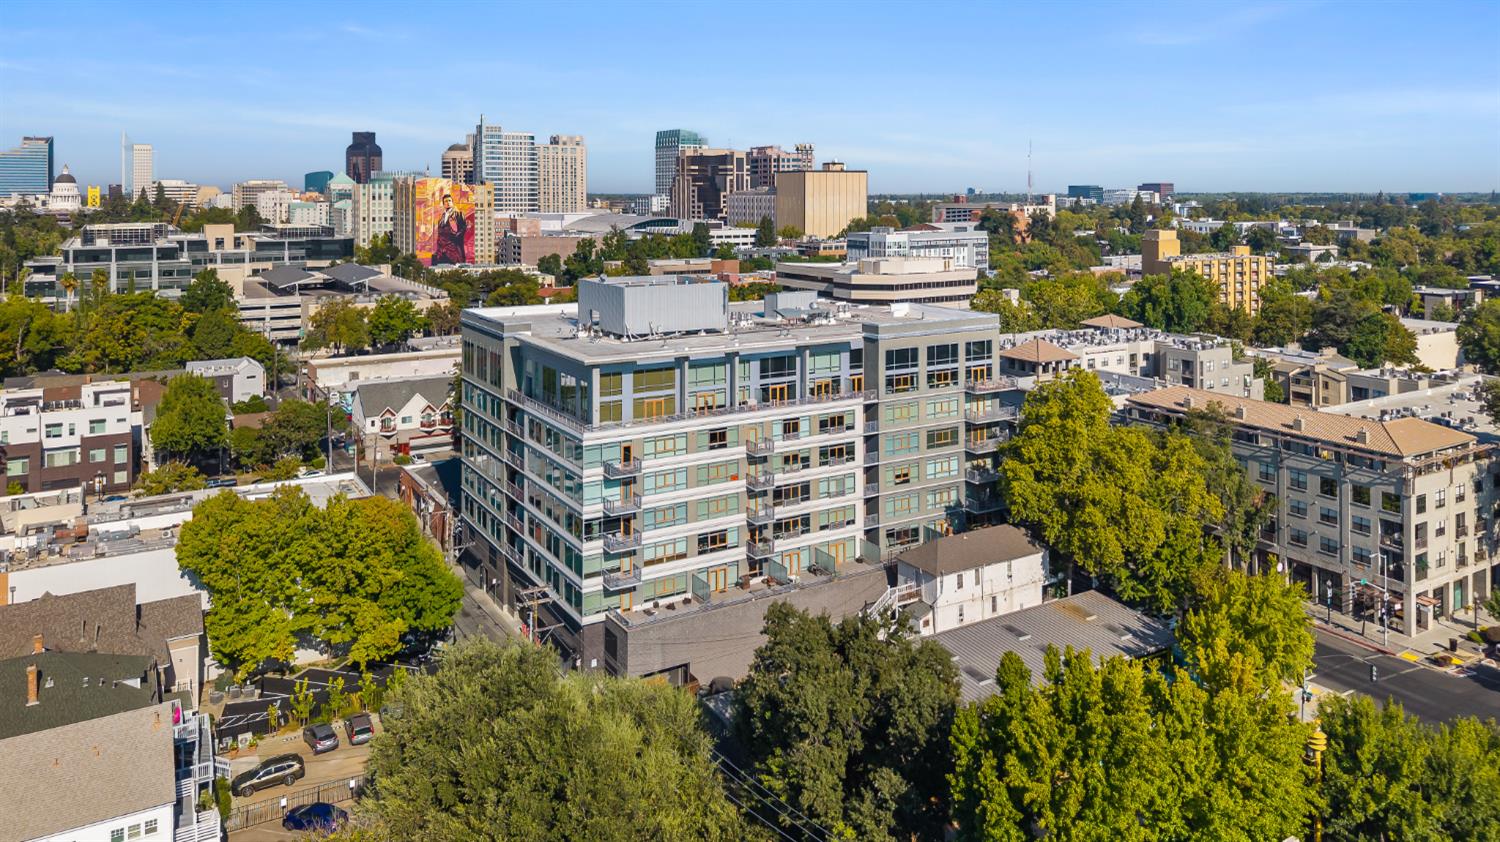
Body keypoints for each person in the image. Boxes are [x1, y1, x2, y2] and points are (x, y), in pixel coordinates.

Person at [432, 193, 468, 265]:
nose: (448, 202)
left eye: (449, 200)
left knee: (454, 267)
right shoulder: (442, 217)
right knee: (441, 267)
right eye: (446, 201)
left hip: (453, 247)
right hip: (442, 249)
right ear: (443, 204)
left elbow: (464, 228)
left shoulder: (458, 214)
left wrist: (455, 237)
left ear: (452, 202)